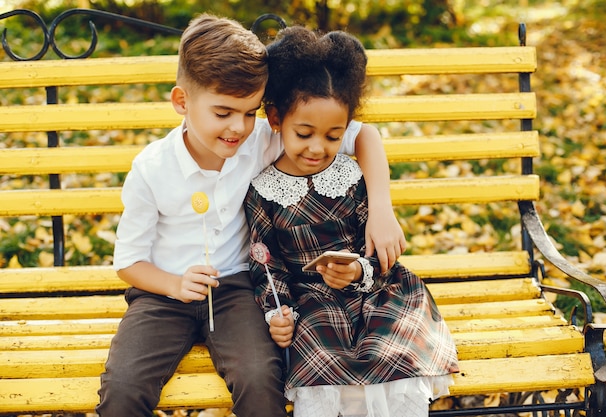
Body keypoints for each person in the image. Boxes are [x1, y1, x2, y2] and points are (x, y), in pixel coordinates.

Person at [97, 13, 406, 417]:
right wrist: (174, 284)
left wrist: (380, 208)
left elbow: (362, 134)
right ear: (181, 101)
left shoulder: (262, 140)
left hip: (237, 291)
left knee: (261, 378)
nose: (238, 128)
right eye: (223, 112)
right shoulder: (152, 169)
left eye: (249, 112)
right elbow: (128, 263)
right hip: (161, 297)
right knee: (123, 389)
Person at [244, 26, 459, 417]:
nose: (317, 148)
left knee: (390, 350)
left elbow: (378, 251)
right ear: (275, 119)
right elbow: (264, 264)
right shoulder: (262, 191)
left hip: (374, 291)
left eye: (332, 136)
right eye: (304, 133)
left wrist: (360, 268)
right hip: (310, 300)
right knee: (322, 359)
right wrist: (278, 311)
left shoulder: (350, 176)